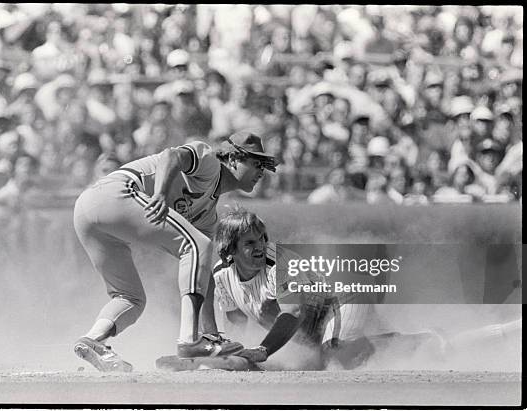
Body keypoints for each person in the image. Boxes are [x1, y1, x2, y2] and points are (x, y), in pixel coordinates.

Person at [72, 131, 278, 372]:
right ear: (232, 159)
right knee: (197, 245)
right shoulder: (209, 161)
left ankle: (94, 340)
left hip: (87, 215)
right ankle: (189, 340)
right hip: (113, 194)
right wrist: (159, 193)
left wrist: (212, 335)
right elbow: (171, 155)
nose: (262, 172)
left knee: (130, 298)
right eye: (256, 163)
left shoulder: (207, 215)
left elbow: (204, 276)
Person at [210, 208, 448, 370]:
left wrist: (263, 350)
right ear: (230, 249)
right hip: (313, 322)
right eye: (250, 243)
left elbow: (292, 313)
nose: (261, 245)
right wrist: (234, 353)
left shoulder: (280, 262)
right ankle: (399, 342)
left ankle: (424, 340)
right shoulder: (221, 274)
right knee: (324, 360)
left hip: (342, 299)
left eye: (262, 238)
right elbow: (236, 321)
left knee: (334, 358)